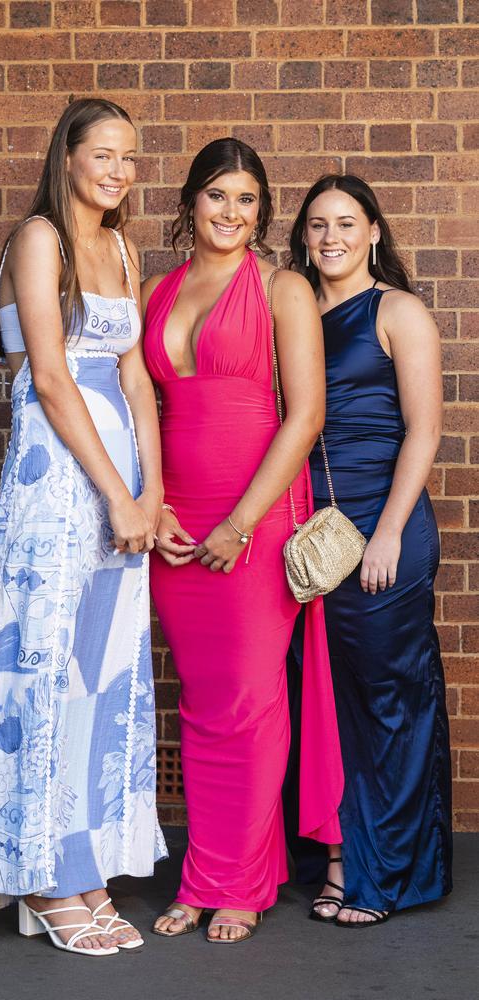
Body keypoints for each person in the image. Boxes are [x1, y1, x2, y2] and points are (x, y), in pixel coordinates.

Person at [0, 98, 167, 956]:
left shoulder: (125, 247)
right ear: (67, 156)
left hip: (121, 483)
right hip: (60, 480)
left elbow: (137, 382)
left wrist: (152, 493)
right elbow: (56, 383)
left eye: (130, 158)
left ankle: (83, 863)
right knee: (46, 661)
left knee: (101, 672)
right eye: (103, 153)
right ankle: (41, 873)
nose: (117, 170)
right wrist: (114, 494)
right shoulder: (41, 240)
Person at [141, 138, 343, 943]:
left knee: (252, 702)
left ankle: (232, 882)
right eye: (218, 196)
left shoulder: (282, 287)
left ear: (263, 210)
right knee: (201, 700)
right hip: (177, 522)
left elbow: (306, 416)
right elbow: (139, 411)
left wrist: (239, 523)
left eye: (248, 200)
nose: (233, 213)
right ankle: (213, 866)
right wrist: (154, 506)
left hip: (252, 516)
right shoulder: (158, 288)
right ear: (190, 201)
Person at [290, 174, 453, 926]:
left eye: (347, 223)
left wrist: (388, 530)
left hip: (382, 528)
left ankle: (386, 877)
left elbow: (423, 429)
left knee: (389, 700)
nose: (331, 237)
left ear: (374, 232)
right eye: (318, 224)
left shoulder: (398, 311)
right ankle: (341, 859)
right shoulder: (289, 310)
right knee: (325, 701)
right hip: (308, 536)